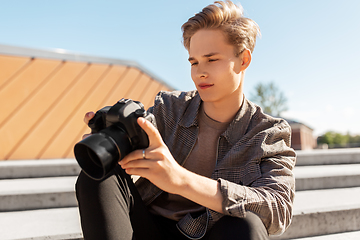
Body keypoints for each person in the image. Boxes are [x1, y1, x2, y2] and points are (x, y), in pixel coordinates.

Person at [75, 1, 296, 240]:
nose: (200, 72)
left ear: (243, 60)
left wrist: (180, 179)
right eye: (194, 62)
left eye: (212, 60)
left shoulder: (267, 133)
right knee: (97, 175)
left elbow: (278, 208)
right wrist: (112, 139)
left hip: (210, 234)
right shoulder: (169, 108)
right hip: (146, 230)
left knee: (247, 225)